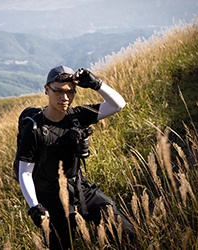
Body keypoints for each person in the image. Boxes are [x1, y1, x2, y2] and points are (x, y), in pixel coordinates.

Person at [17, 65, 136, 249]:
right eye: (58, 91)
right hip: (51, 198)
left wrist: (97, 84)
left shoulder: (77, 116)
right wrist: (35, 207)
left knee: (125, 232)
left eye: (71, 92)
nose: (65, 98)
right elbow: (25, 172)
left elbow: (118, 104)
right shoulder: (34, 129)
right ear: (47, 89)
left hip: (80, 189)